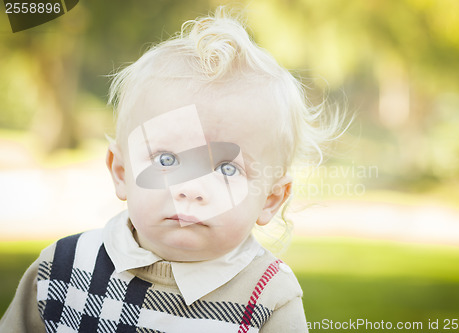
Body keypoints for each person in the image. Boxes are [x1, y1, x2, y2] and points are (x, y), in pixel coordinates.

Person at [0, 7, 343, 333]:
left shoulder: (268, 296)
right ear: (121, 172)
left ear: (270, 199)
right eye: (166, 160)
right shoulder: (62, 269)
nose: (191, 189)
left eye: (226, 169)